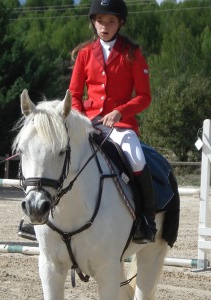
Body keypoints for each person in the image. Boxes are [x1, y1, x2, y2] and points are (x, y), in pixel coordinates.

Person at [68, 0, 157, 243]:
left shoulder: (132, 53)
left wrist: (121, 111)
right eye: (100, 21)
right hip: (88, 122)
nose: (104, 26)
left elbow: (144, 96)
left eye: (110, 21)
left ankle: (145, 219)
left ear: (120, 23)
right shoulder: (85, 54)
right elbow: (75, 95)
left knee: (136, 157)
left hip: (120, 125)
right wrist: (81, 119)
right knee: (58, 151)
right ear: (93, 23)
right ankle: (45, 216)